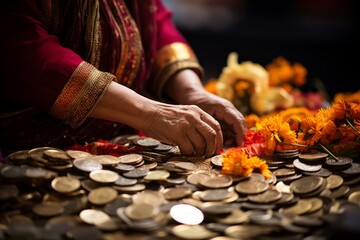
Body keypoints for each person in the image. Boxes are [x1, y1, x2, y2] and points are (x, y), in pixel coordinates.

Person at [0, 0, 246, 157]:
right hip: (30, 153)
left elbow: (153, 20)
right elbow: (26, 55)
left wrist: (191, 91)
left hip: (118, 141)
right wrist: (150, 113)